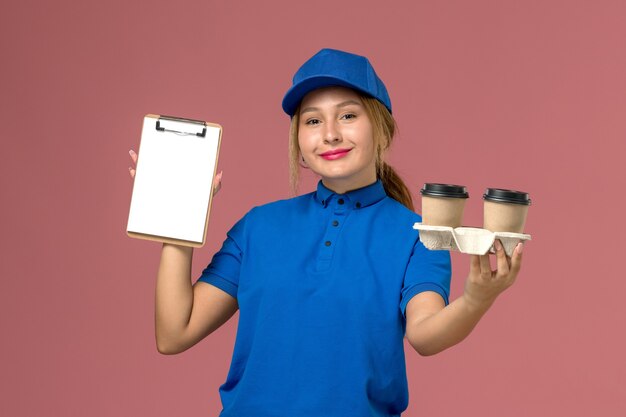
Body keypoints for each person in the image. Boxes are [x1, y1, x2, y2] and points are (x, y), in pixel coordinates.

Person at [128, 48, 523, 417]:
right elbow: (174, 333)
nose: (330, 134)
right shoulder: (258, 226)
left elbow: (424, 336)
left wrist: (475, 299)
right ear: (299, 142)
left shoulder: (419, 235)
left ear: (382, 131)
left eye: (348, 116)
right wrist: (177, 224)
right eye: (313, 120)